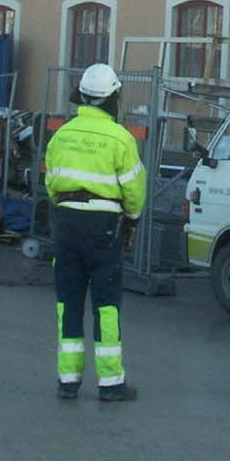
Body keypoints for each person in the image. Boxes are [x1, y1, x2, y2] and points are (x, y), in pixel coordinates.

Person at [44, 62, 147, 402]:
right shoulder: (121, 138)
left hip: (66, 222)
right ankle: (110, 383)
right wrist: (130, 219)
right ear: (113, 98)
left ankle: (68, 380)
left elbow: (50, 181)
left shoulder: (63, 134)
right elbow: (134, 190)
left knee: (68, 303)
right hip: (103, 227)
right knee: (106, 305)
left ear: (84, 98)